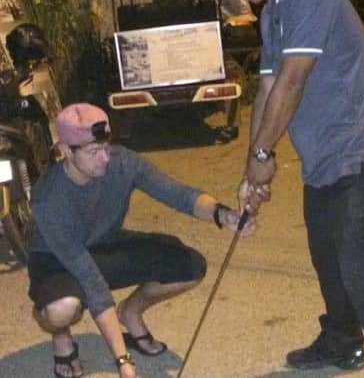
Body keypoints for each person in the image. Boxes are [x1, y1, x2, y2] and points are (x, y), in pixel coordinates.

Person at [202, 0, 364, 377]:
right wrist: (253, 167)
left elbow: (293, 78)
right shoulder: (272, 13)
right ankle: (343, 343)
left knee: (362, 267)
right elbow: (265, 90)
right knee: (328, 258)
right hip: (322, 160)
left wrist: (266, 155)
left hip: (356, 151)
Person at [28, 102, 255, 378]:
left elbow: (178, 194)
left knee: (189, 266)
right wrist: (122, 359)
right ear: (65, 151)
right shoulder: (48, 198)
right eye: (93, 152)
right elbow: (92, 282)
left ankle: (130, 313)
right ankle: (61, 337)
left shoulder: (123, 161)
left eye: (106, 147)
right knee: (62, 309)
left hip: (104, 245)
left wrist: (222, 214)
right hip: (56, 261)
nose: (105, 159)